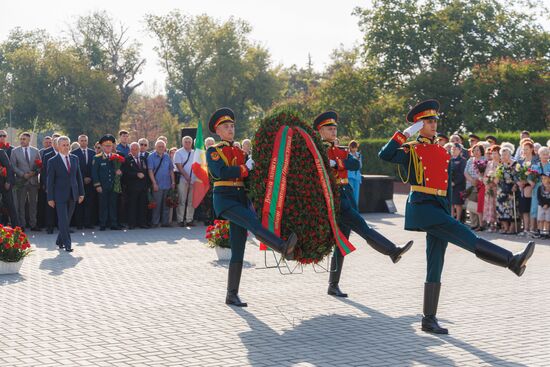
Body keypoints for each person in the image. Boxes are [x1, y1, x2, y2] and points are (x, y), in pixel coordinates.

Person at [378, 99, 535, 335]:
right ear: (419, 125)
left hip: (439, 207)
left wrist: (449, 209)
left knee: (435, 262)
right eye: (428, 121)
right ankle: (511, 261)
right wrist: (405, 133)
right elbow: (385, 154)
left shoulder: (442, 152)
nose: (434, 124)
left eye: (434, 120)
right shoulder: (412, 149)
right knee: (466, 236)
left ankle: (428, 319)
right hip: (422, 207)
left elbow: (445, 187)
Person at [315, 110, 413, 299]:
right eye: (329, 128)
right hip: (333, 197)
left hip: (347, 195)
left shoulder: (342, 150)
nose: (334, 131)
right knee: (362, 227)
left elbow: (355, 165)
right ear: (320, 131)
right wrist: (335, 163)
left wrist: (336, 164)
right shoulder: (318, 150)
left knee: (342, 242)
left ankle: (333, 284)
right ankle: (392, 250)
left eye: (335, 128)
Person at [206, 107, 297, 307]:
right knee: (253, 222)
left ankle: (232, 294)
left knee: (238, 249)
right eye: (226, 127)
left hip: (239, 197)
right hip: (224, 199)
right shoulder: (214, 151)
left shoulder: (240, 151)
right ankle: (282, 247)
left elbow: (248, 178)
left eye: (232, 126)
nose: (230, 129)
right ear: (218, 131)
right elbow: (220, 172)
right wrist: (244, 168)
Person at [46, 136, 84, 252]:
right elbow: (50, 181)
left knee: (67, 220)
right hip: (59, 195)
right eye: (63, 145)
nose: (66, 147)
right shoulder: (52, 161)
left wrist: (81, 193)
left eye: (68, 145)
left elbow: (79, 176)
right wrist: (50, 198)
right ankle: (68, 244)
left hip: (73, 193)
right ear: (58, 146)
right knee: (63, 219)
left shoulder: (75, 158)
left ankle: (59, 240)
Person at [10, 132, 40, 230]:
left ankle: (33, 224)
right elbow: (13, 166)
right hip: (21, 181)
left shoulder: (35, 151)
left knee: (33, 204)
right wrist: (23, 174)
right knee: (21, 205)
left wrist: (33, 173)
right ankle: (21, 225)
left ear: (29, 140)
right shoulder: (15, 151)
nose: (22, 141)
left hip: (33, 182)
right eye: (21, 139)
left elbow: (39, 165)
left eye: (24, 139)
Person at [92, 135, 121, 231]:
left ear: (112, 146)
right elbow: (94, 173)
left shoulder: (116, 157)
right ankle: (103, 224)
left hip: (113, 185)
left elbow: (119, 170)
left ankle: (113, 223)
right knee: (103, 205)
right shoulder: (97, 158)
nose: (108, 147)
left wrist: (120, 173)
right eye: (106, 146)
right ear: (102, 147)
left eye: (110, 146)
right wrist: (97, 185)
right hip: (103, 186)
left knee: (113, 204)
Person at [147, 140, 176, 227]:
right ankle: (155, 222)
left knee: (166, 204)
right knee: (157, 204)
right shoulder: (151, 157)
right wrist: (154, 183)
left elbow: (171, 170)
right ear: (155, 147)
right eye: (159, 146)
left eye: (162, 146)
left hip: (167, 184)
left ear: (165, 148)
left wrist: (173, 182)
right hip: (157, 185)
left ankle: (165, 222)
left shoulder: (167, 157)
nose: (161, 148)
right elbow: (150, 171)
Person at [72, 135, 96, 229]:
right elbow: (74, 169)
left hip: (90, 182)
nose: (83, 142)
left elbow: (94, 168)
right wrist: (83, 178)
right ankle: (79, 224)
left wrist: (90, 177)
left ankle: (88, 223)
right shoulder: (73, 153)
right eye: (81, 140)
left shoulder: (93, 153)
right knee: (79, 203)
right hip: (79, 182)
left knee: (89, 203)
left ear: (87, 141)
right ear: (78, 141)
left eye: (85, 140)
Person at [123, 142, 149, 229]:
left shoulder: (143, 158)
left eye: (136, 149)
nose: (134, 151)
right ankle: (132, 223)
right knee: (132, 206)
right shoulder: (127, 159)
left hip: (143, 187)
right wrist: (136, 174)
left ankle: (142, 223)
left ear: (139, 150)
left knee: (143, 206)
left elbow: (146, 171)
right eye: (132, 149)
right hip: (132, 187)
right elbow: (125, 173)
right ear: (130, 150)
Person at [517, 139, 539, 236]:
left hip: (533, 186)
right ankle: (526, 229)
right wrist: (519, 182)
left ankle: (532, 228)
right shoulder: (520, 161)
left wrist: (528, 181)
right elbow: (515, 174)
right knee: (524, 209)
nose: (524, 151)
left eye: (526, 149)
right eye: (523, 149)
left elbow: (537, 174)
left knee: (531, 208)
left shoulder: (536, 160)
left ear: (531, 149)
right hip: (522, 187)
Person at [529, 147, 550, 238]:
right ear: (539, 155)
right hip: (537, 190)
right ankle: (533, 230)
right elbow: (529, 178)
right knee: (534, 209)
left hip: (548, 190)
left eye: (547, 153)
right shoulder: (534, 166)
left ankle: (545, 231)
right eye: (543, 154)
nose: (545, 155)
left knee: (547, 210)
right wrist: (531, 183)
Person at [464, 143, 486, 230]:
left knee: (480, 205)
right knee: (471, 204)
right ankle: (474, 224)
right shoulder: (470, 160)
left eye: (478, 150)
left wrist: (478, 180)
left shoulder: (484, 160)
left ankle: (481, 224)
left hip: (481, 185)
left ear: (481, 151)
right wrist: (471, 180)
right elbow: (465, 172)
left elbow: (485, 172)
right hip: (470, 185)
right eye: (474, 150)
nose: (476, 152)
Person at [175, 136, 195, 226]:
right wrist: (186, 176)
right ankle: (180, 220)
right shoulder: (178, 152)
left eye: (189, 142)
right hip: (183, 179)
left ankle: (189, 219)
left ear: (192, 143)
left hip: (193, 180)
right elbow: (179, 166)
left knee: (191, 201)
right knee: (182, 200)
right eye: (186, 142)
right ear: (182, 143)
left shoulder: (195, 153)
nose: (187, 143)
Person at [42, 137, 60, 234]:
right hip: (51, 185)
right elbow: (44, 172)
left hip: (62, 186)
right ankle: (50, 226)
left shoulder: (66, 155)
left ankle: (62, 226)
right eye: (55, 143)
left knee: (62, 206)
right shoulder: (48, 155)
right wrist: (46, 185)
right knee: (50, 206)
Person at [483, 146, 500, 232]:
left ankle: (498, 224)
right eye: (492, 153)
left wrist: (494, 181)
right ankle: (491, 223)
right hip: (489, 187)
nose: (493, 155)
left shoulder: (501, 164)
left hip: (497, 188)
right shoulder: (489, 163)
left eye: (495, 153)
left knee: (496, 205)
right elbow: (486, 174)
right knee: (489, 205)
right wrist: (487, 182)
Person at [0, 148, 19, 227]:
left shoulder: (0, 152)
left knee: (9, 204)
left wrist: (8, 181)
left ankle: (16, 226)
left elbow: (8, 166)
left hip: (3, 182)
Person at [450, 143, 466, 221]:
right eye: (452, 149)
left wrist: (454, 182)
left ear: (460, 150)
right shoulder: (449, 159)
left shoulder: (462, 160)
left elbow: (462, 174)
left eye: (455, 149)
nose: (453, 150)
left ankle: (458, 219)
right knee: (451, 203)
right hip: (450, 184)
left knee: (458, 203)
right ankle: (452, 217)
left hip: (459, 184)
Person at [347, 140, 363, 206]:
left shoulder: (358, 154)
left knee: (356, 194)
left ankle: (356, 209)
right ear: (350, 147)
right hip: (350, 176)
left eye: (356, 147)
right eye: (353, 147)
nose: (354, 149)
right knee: (350, 194)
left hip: (357, 177)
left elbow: (361, 166)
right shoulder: (347, 154)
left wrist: (358, 160)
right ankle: (350, 210)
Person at [536, 173, 550, 238]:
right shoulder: (540, 188)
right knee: (541, 220)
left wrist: (547, 204)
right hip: (541, 206)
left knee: (547, 220)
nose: (543, 180)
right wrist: (542, 204)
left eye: (545, 178)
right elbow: (538, 197)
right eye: (542, 178)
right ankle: (541, 233)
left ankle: (546, 233)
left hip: (549, 207)